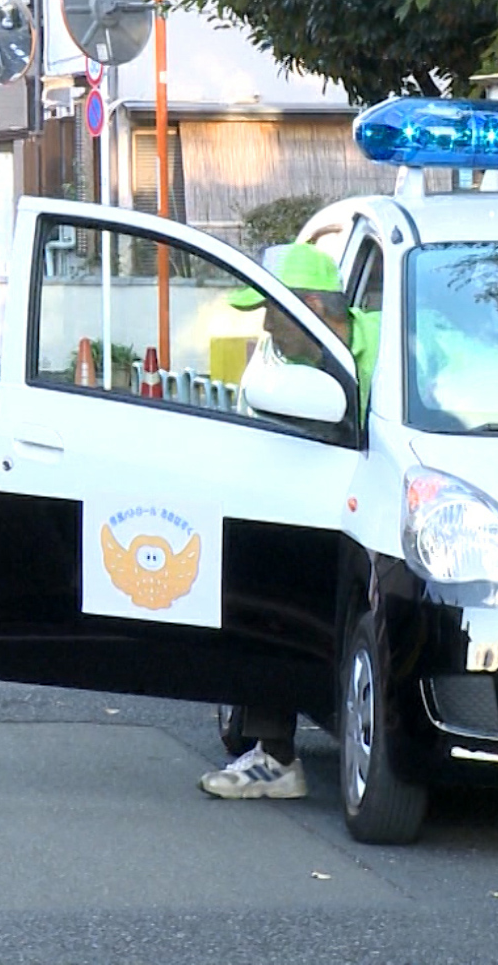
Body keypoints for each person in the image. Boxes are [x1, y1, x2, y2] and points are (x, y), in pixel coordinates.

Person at [199, 241, 380, 801]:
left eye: (274, 313)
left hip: (390, 514)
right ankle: (274, 755)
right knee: (262, 562)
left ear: (313, 310)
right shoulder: (289, 361)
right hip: (333, 509)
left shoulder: (392, 346)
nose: (269, 329)